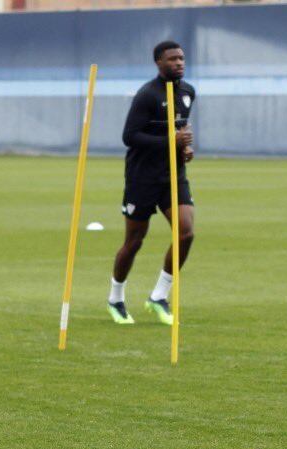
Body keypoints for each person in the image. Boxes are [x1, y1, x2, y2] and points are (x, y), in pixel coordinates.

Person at [108, 41, 196, 325]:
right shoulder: (147, 95)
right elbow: (130, 137)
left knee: (186, 233)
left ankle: (159, 296)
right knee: (134, 242)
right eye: (172, 59)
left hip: (173, 175)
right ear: (159, 62)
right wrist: (171, 140)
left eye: (181, 58)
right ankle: (115, 298)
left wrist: (184, 148)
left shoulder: (188, 92)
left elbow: (180, 129)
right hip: (142, 177)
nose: (179, 63)